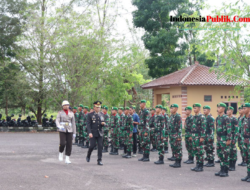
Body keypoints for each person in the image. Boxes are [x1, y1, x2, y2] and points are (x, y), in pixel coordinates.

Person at [215, 103, 232, 177]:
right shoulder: (218, 118)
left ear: (223, 109)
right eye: (218, 107)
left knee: (225, 155)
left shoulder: (226, 118)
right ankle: (221, 169)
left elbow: (229, 129)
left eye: (220, 107)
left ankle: (225, 171)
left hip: (224, 138)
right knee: (220, 154)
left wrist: (228, 139)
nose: (218, 109)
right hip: (219, 138)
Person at [86, 101, 105, 166]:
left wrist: (103, 124)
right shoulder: (90, 115)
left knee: (100, 146)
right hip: (93, 133)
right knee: (92, 146)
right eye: (97, 107)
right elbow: (88, 125)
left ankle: (99, 160)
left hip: (100, 133)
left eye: (99, 107)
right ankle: (88, 155)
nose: (98, 108)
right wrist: (89, 132)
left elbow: (104, 123)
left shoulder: (102, 114)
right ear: (94, 107)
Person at [190, 103, 206, 172]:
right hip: (194, 136)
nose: (194, 109)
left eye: (195, 108)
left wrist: (202, 137)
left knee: (200, 151)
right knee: (196, 151)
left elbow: (203, 127)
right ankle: (197, 165)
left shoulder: (201, 117)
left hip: (199, 136)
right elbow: (192, 127)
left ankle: (201, 166)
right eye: (193, 108)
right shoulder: (194, 117)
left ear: (199, 109)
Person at [169, 104, 182, 168]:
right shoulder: (171, 116)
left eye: (172, 108)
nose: (171, 109)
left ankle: (178, 163)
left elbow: (179, 127)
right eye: (170, 108)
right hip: (172, 135)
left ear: (176, 109)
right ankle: (176, 161)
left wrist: (179, 136)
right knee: (174, 148)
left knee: (178, 149)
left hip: (176, 135)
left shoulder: (178, 116)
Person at [227, 106, 239, 171]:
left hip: (233, 137)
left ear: (231, 111)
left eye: (228, 110)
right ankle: (229, 165)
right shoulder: (227, 118)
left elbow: (237, 130)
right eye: (227, 110)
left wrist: (234, 139)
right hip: (228, 137)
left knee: (233, 152)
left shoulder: (234, 119)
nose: (227, 112)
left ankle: (233, 166)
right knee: (228, 152)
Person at [241, 103, 250, 182]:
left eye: (245, 108)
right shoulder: (243, 118)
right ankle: (248, 174)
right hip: (245, 141)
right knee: (247, 158)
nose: (243, 110)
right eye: (243, 108)